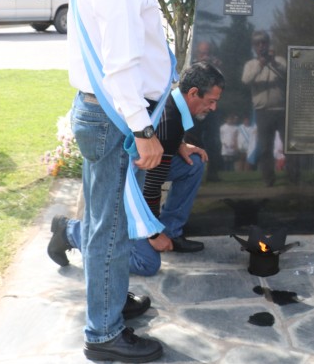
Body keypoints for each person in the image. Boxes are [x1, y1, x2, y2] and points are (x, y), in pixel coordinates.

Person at [65, 0, 180, 363]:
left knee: (104, 224)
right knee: (110, 231)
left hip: (106, 113)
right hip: (115, 117)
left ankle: (109, 304)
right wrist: (143, 131)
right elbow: (121, 65)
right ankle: (104, 334)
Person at [48, 62, 224, 275]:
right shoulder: (170, 122)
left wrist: (180, 145)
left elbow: (163, 141)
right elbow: (149, 187)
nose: (214, 107)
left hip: (142, 173)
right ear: (194, 93)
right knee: (147, 264)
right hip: (129, 186)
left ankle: (171, 232)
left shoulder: (172, 101)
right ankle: (69, 231)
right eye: (211, 101)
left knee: (193, 164)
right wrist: (152, 235)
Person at [241, 30, 298, 186]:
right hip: (262, 112)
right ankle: (268, 179)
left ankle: (293, 178)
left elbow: (287, 74)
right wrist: (260, 64)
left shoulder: (279, 61)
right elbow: (246, 80)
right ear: (254, 47)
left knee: (289, 146)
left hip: (281, 110)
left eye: (264, 43)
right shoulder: (251, 65)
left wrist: (272, 63)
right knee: (266, 147)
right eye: (258, 44)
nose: (261, 46)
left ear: (268, 44)